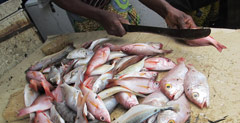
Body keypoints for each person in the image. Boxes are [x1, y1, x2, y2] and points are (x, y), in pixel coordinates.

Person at [48, 0, 220, 37]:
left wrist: (166, 9)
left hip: (118, 4)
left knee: (132, 42)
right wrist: (100, 15)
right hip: (85, 12)